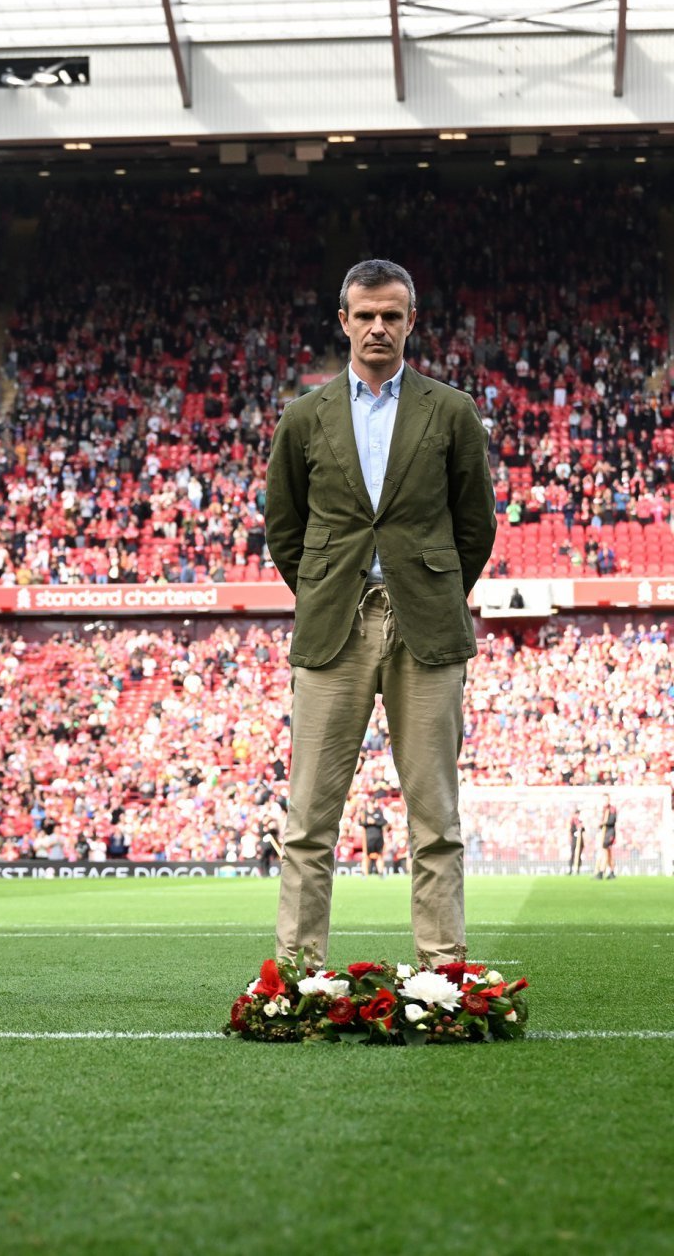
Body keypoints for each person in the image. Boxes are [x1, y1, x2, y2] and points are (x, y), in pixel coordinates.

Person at [264, 259, 496, 968]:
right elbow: (284, 529)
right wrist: (326, 590)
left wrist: (430, 589)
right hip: (333, 629)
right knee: (308, 820)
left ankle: (444, 975)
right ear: (344, 321)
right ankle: (297, 977)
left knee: (436, 819)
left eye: (391, 315)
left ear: (411, 322)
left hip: (426, 627)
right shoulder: (303, 417)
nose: (377, 327)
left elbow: (476, 526)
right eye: (365, 315)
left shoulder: (450, 410)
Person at [594, 798, 618, 879]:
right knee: (608, 853)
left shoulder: (612, 809)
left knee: (605, 852)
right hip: (605, 833)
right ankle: (612, 872)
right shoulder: (604, 810)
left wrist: (604, 823)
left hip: (609, 833)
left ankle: (601, 872)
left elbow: (612, 820)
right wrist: (600, 825)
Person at [568, 810, 585, 874]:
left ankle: (578, 870)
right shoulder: (572, 822)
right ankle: (570, 869)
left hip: (580, 840)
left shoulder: (580, 821)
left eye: (578, 814)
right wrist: (577, 828)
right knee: (572, 854)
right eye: (576, 814)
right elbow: (571, 830)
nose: (577, 815)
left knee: (579, 855)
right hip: (574, 840)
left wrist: (581, 827)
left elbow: (583, 830)